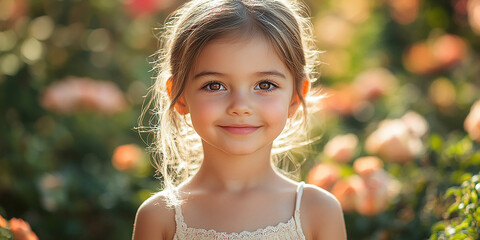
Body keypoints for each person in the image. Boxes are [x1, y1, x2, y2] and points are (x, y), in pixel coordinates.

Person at [132, 0, 347, 239]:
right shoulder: (159, 218)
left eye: (265, 85)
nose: (240, 107)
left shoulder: (318, 212)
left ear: (296, 97)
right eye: (215, 86)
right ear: (179, 96)